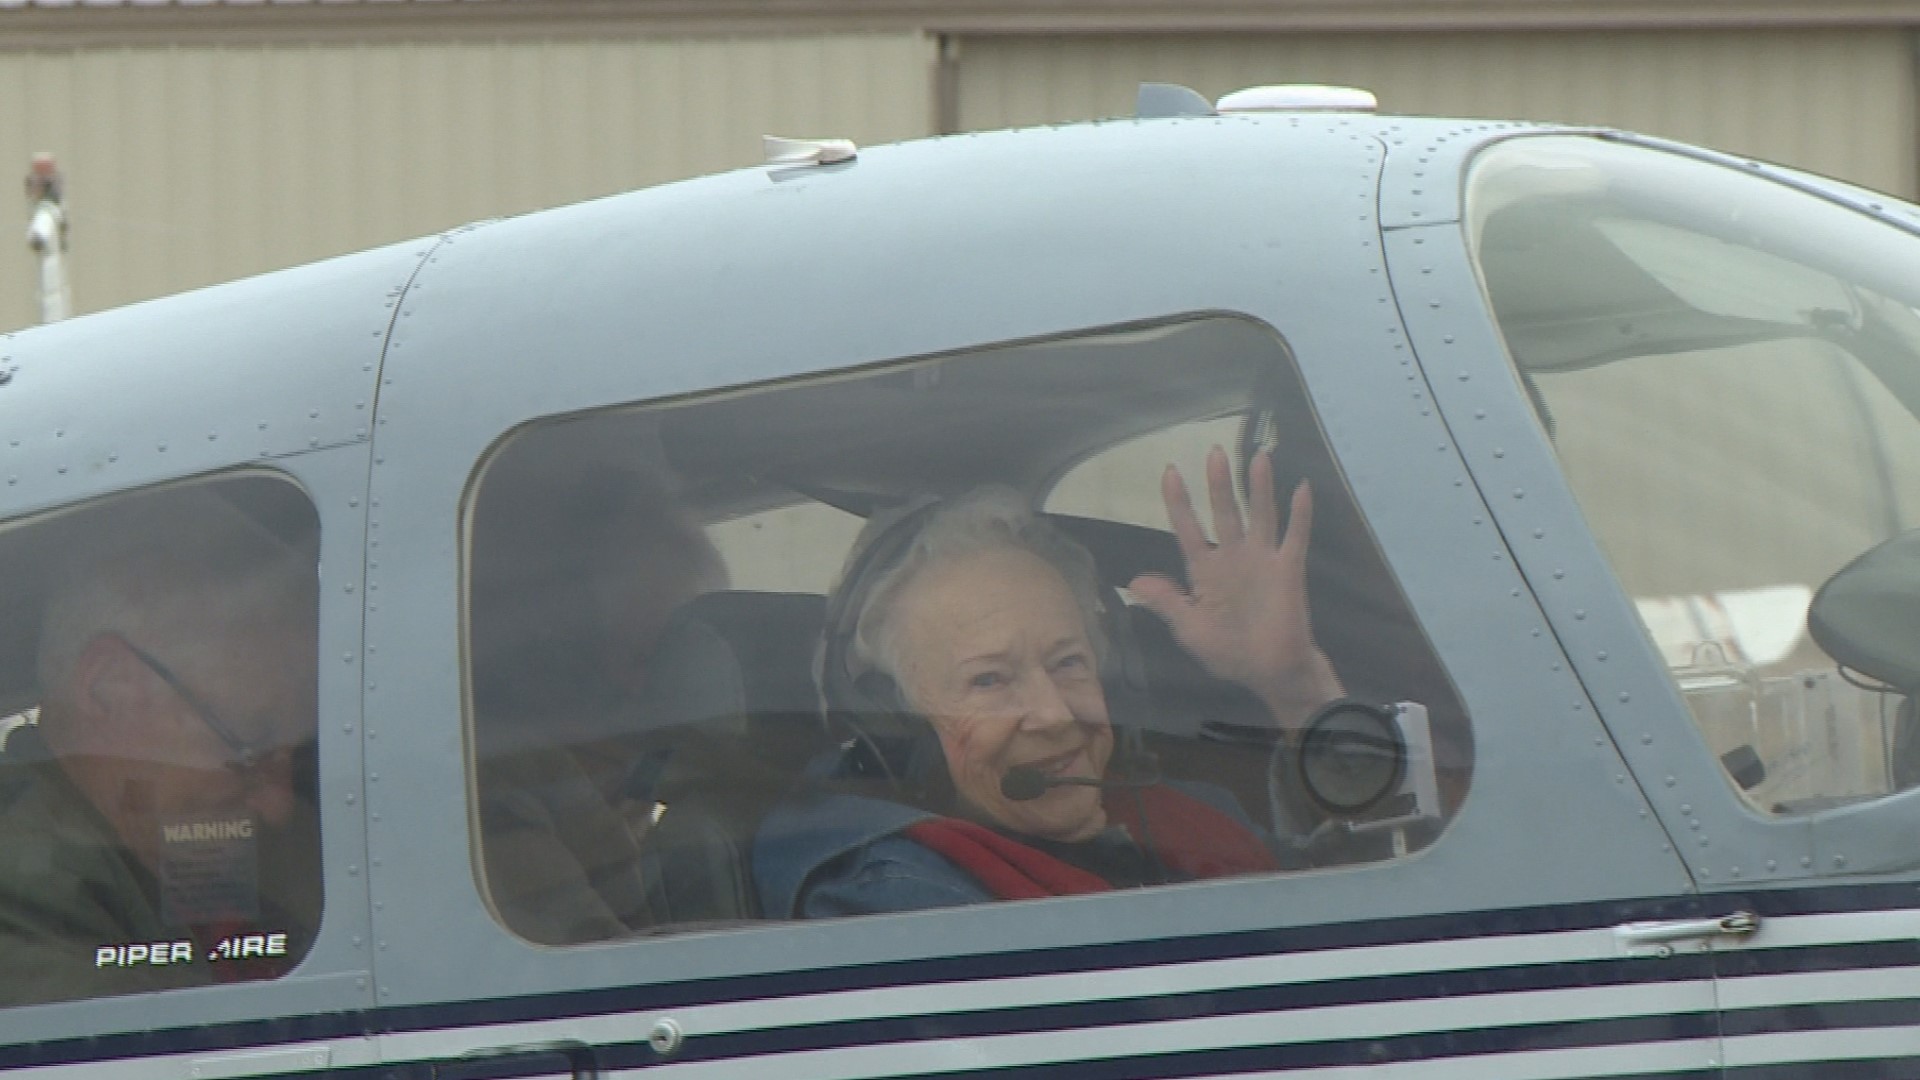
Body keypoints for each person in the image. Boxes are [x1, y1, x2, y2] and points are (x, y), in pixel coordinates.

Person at [755, 446, 1344, 918]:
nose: (1056, 714)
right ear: (897, 724)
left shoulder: (1184, 817)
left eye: (1068, 662)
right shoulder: (897, 899)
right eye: (989, 681)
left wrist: (1293, 687)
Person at [0, 486, 319, 1006]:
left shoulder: (176, 862)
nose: (278, 804)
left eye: (297, 755)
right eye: (252, 746)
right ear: (110, 689)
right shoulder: (21, 899)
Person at [468, 450, 730, 944]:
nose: (663, 690)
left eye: (684, 650)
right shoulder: (509, 788)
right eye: (641, 659)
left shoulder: (675, 802)